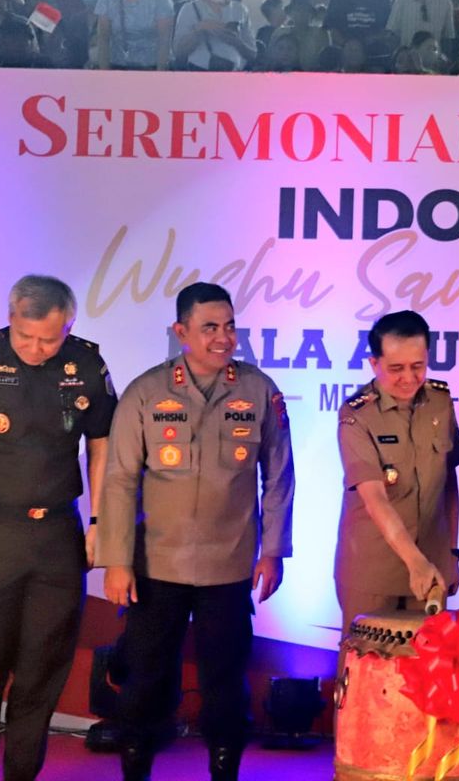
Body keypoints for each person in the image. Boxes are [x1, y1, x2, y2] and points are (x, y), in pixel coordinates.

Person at [96, 282, 294, 781]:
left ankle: (224, 770)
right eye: (210, 328)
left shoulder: (258, 390)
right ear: (181, 332)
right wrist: (116, 560)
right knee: (145, 680)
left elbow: (279, 475)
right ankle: (135, 770)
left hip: (229, 567)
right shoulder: (146, 391)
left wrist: (273, 551)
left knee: (225, 684)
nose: (223, 338)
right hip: (156, 567)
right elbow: (119, 480)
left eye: (229, 326)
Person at [0, 275, 116, 781]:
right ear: (10, 317)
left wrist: (99, 522)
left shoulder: (86, 364)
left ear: (69, 326)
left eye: (49, 340)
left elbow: (101, 446)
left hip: (57, 536)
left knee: (42, 674)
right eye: (26, 337)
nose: (36, 349)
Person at [334, 311, 459, 647]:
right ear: (374, 364)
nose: (409, 378)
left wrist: (451, 554)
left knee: (428, 666)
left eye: (417, 366)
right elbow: (375, 498)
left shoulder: (440, 402)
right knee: (365, 668)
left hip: (431, 568)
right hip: (372, 570)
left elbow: (449, 484)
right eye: (396, 368)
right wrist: (415, 563)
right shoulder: (356, 415)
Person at [172, 0, 258, 70]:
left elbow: (253, 54)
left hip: (234, 72)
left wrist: (236, 41)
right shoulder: (189, 9)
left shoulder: (240, 10)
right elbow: (178, 52)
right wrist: (200, 30)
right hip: (200, 71)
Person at [94, 0, 174, 69]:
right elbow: (103, 38)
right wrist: (104, 72)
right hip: (116, 65)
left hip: (152, 66)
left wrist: (160, 73)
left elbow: (164, 39)